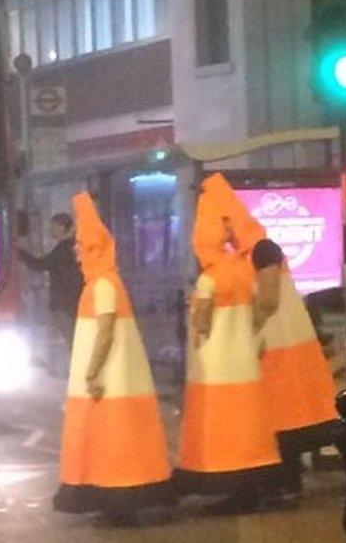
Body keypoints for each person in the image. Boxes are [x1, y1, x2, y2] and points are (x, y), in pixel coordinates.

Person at [53, 192, 173, 526]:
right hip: (115, 383)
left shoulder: (103, 284)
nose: (76, 251)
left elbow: (104, 332)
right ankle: (117, 505)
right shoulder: (103, 281)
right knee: (113, 443)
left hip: (109, 385)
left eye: (80, 245)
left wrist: (91, 372)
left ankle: (119, 507)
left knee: (112, 444)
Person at [174, 173, 282, 515]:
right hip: (245, 364)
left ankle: (227, 487)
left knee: (221, 428)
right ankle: (250, 489)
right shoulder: (244, 269)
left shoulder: (209, 277)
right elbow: (265, 305)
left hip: (216, 369)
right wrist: (249, 332)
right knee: (247, 425)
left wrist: (199, 326)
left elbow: (202, 320)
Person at [252, 237, 339, 498]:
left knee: (284, 420)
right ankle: (287, 480)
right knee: (288, 421)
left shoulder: (259, 251)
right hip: (283, 352)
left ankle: (284, 483)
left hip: (277, 354)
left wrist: (244, 330)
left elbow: (267, 301)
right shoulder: (261, 252)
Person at [19, 213, 84, 375]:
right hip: (76, 300)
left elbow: (41, 265)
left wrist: (20, 254)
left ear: (63, 227)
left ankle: (80, 375)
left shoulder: (62, 249)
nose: (50, 230)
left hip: (63, 302)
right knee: (76, 339)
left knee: (73, 341)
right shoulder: (76, 247)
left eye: (53, 227)